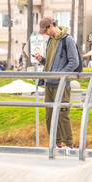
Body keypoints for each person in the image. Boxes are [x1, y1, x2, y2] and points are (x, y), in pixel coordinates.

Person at [34, 17, 79, 151]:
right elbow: (52, 63)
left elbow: (74, 62)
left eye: (45, 30)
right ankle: (56, 143)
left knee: (63, 115)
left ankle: (69, 145)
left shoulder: (67, 40)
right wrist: (42, 60)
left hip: (62, 85)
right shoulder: (50, 41)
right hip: (49, 84)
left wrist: (60, 75)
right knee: (49, 116)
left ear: (52, 26)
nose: (45, 33)